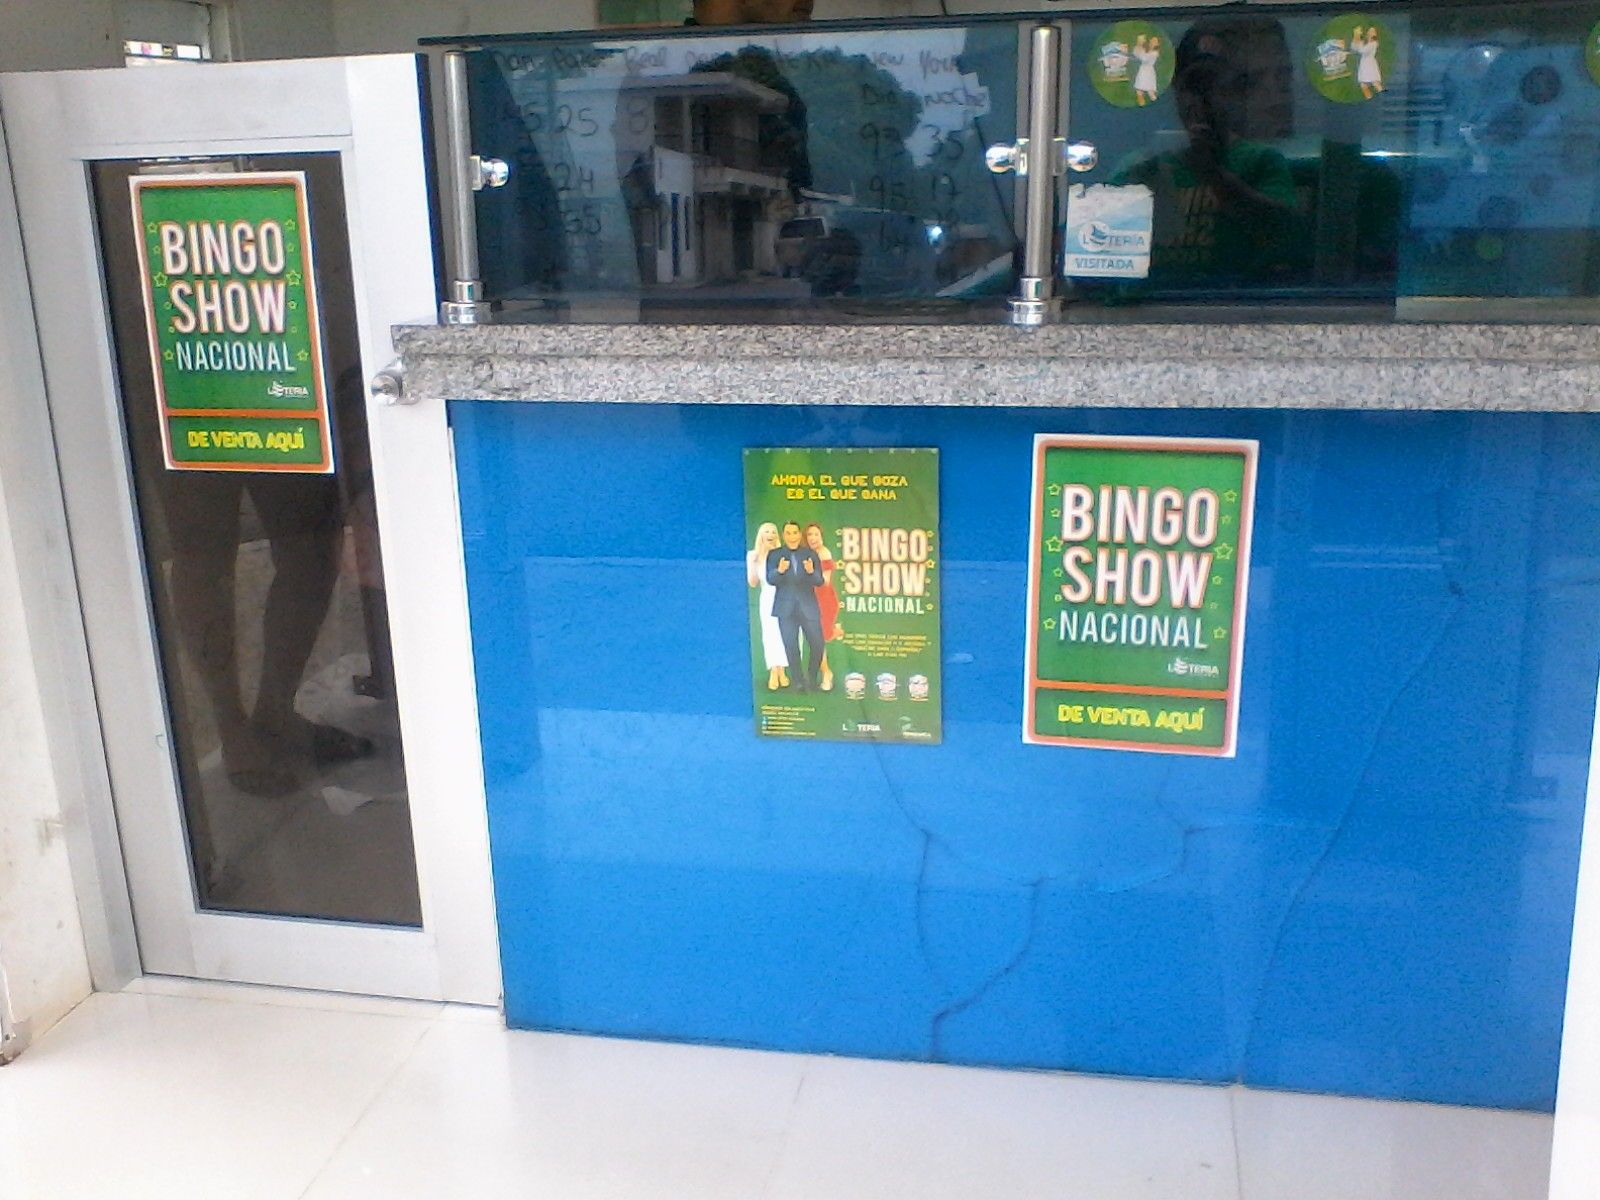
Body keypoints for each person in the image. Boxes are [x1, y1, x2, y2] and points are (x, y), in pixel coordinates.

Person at [1112, 40, 1298, 288]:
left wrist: (1212, 173)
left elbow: (1284, 234)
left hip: (1236, 298)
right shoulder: (1139, 165)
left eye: (1212, 88)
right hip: (1155, 298)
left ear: (1234, 97)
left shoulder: (1261, 160)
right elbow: (1095, 239)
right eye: (1191, 89)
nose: (1200, 101)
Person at [765, 520, 826, 692]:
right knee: (791, 646)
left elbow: (820, 581)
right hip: (785, 609)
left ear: (800, 535)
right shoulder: (775, 555)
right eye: (788, 533)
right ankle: (798, 681)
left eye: (795, 533)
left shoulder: (810, 554)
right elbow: (770, 579)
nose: (792, 537)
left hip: (808, 607)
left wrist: (811, 571)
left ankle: (811, 678)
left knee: (817, 644)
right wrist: (780, 570)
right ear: (783, 536)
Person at [747, 522, 790, 691]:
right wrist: (753, 564)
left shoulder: (783, 554)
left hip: (784, 597)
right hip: (767, 598)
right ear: (761, 535)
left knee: (784, 633)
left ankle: (782, 670)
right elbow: (753, 583)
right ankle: (773, 669)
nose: (770, 534)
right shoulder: (753, 555)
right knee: (770, 633)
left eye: (773, 531)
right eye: (767, 531)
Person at [803, 522, 841, 691]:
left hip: (824, 602)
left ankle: (826, 674)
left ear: (821, 536)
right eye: (809, 535)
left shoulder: (824, 553)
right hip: (809, 601)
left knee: (818, 640)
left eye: (816, 534)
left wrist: (809, 572)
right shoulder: (806, 553)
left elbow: (824, 582)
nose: (813, 538)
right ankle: (825, 672)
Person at [1354, 26, 1384, 99]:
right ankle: (1369, 98)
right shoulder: (1367, 43)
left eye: (1372, 31)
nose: (1370, 32)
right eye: (1370, 31)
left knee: (1375, 82)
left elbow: (1362, 51)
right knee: (1363, 84)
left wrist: (1358, 38)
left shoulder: (1373, 43)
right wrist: (1357, 37)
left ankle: (1384, 98)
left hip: (1370, 65)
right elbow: (1357, 48)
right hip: (1364, 65)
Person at [1133, 35, 1162, 107]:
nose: (1152, 41)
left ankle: (1157, 105)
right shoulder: (1146, 50)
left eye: (1155, 41)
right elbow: (1136, 54)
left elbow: (1144, 58)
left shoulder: (1155, 53)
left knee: (1150, 92)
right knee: (1139, 90)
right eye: (1152, 40)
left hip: (1148, 72)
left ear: (1157, 44)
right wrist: (1138, 45)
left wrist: (1140, 48)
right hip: (1142, 71)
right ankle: (1142, 105)